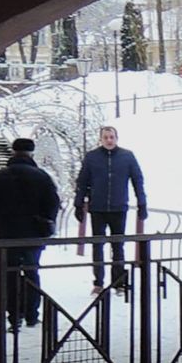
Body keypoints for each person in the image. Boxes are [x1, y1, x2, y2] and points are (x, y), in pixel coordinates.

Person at [0, 138, 60, 332]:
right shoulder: (42, 176)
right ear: (32, 153)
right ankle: (32, 315)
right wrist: (45, 226)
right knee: (32, 272)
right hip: (33, 234)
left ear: (13, 152)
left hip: (8, 235)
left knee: (10, 275)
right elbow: (53, 204)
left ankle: (14, 317)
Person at [73, 125, 147, 293]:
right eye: (105, 137)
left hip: (118, 208)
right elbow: (82, 181)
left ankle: (119, 282)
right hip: (97, 208)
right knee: (97, 245)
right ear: (101, 139)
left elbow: (138, 180)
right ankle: (98, 282)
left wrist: (142, 203)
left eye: (111, 137)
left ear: (116, 138)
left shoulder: (127, 156)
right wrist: (79, 203)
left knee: (118, 246)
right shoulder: (92, 157)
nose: (108, 140)